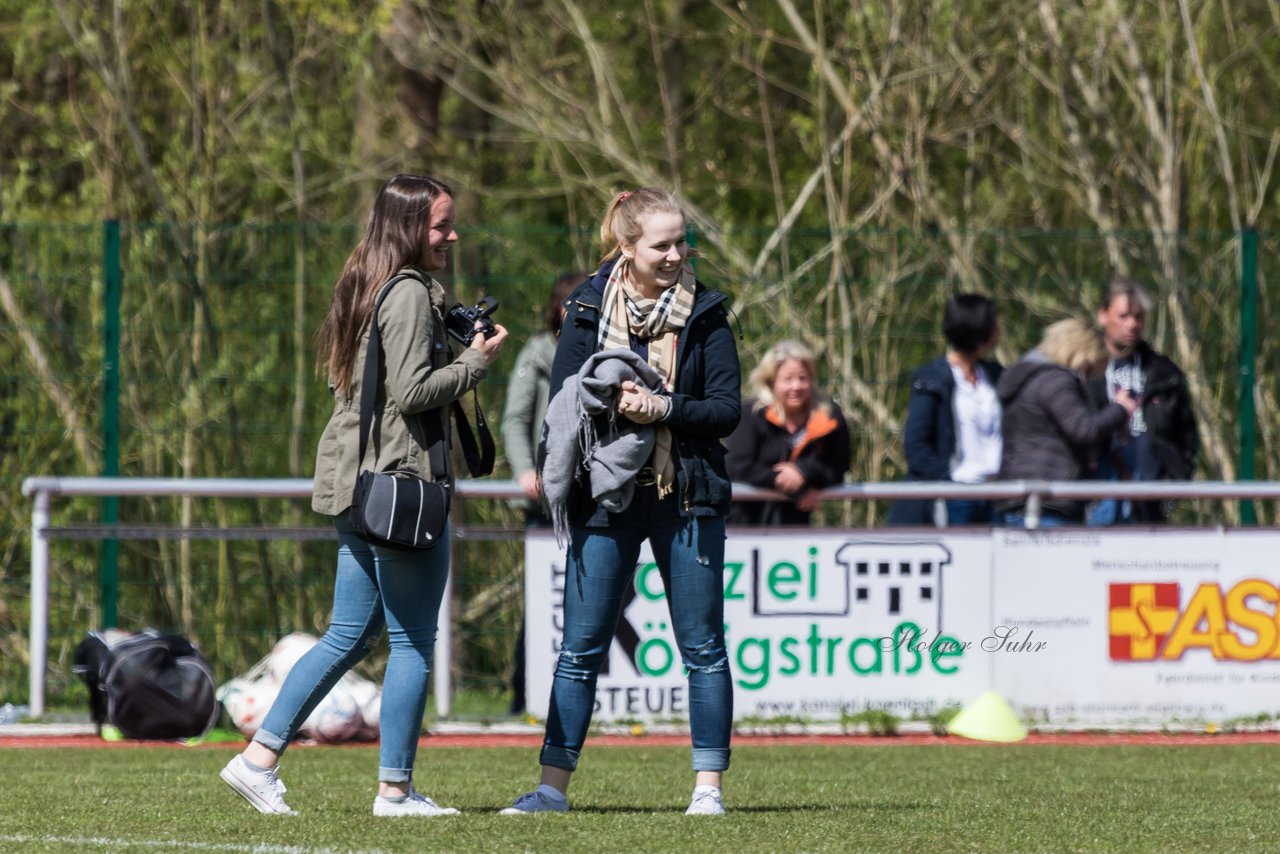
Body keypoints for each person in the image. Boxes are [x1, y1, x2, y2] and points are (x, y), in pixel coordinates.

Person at [219, 174, 508, 817]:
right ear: (409, 228)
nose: (452, 236)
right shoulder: (406, 294)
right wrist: (475, 365)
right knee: (410, 642)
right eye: (440, 226)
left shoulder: (367, 282)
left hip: (358, 484)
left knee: (346, 636)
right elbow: (412, 393)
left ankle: (257, 759)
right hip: (398, 489)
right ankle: (395, 790)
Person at [502, 188, 740, 817]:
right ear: (627, 247)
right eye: (660, 244)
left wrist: (662, 407)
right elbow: (565, 397)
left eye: (680, 242)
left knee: (703, 648)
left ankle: (707, 791)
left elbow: (725, 410)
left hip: (685, 494)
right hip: (603, 500)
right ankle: (552, 791)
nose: (674, 254)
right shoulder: (584, 306)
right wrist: (612, 396)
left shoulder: (708, 312)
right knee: (580, 647)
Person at [500, 271, 588, 715]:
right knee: (544, 600)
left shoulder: (607, 349)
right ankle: (525, 696)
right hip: (546, 501)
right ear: (556, 308)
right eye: (567, 302)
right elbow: (515, 419)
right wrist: (524, 470)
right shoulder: (537, 355)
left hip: (595, 495)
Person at [995, 317, 1137, 527]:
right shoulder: (1055, 381)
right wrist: (1121, 409)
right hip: (1046, 500)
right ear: (1081, 354)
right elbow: (1083, 429)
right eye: (1089, 369)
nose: (1087, 378)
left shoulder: (1031, 379)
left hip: (1024, 496)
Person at [1086, 278, 1198, 524]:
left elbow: (1186, 438)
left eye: (1138, 317)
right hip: (1097, 494)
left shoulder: (1164, 374)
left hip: (1149, 499)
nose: (1132, 324)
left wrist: (1171, 492)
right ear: (1103, 315)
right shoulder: (1083, 371)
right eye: (1123, 315)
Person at [887, 294, 1004, 526]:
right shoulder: (932, 379)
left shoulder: (996, 375)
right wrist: (949, 484)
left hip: (995, 495)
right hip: (958, 498)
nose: (1000, 329)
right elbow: (916, 445)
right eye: (995, 323)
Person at [724, 340, 850, 525]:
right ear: (771, 381)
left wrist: (803, 472)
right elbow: (736, 466)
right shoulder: (751, 414)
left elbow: (838, 467)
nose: (796, 386)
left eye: (802, 378)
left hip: (795, 525)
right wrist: (784, 482)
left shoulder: (829, 418)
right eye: (788, 379)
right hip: (745, 523)